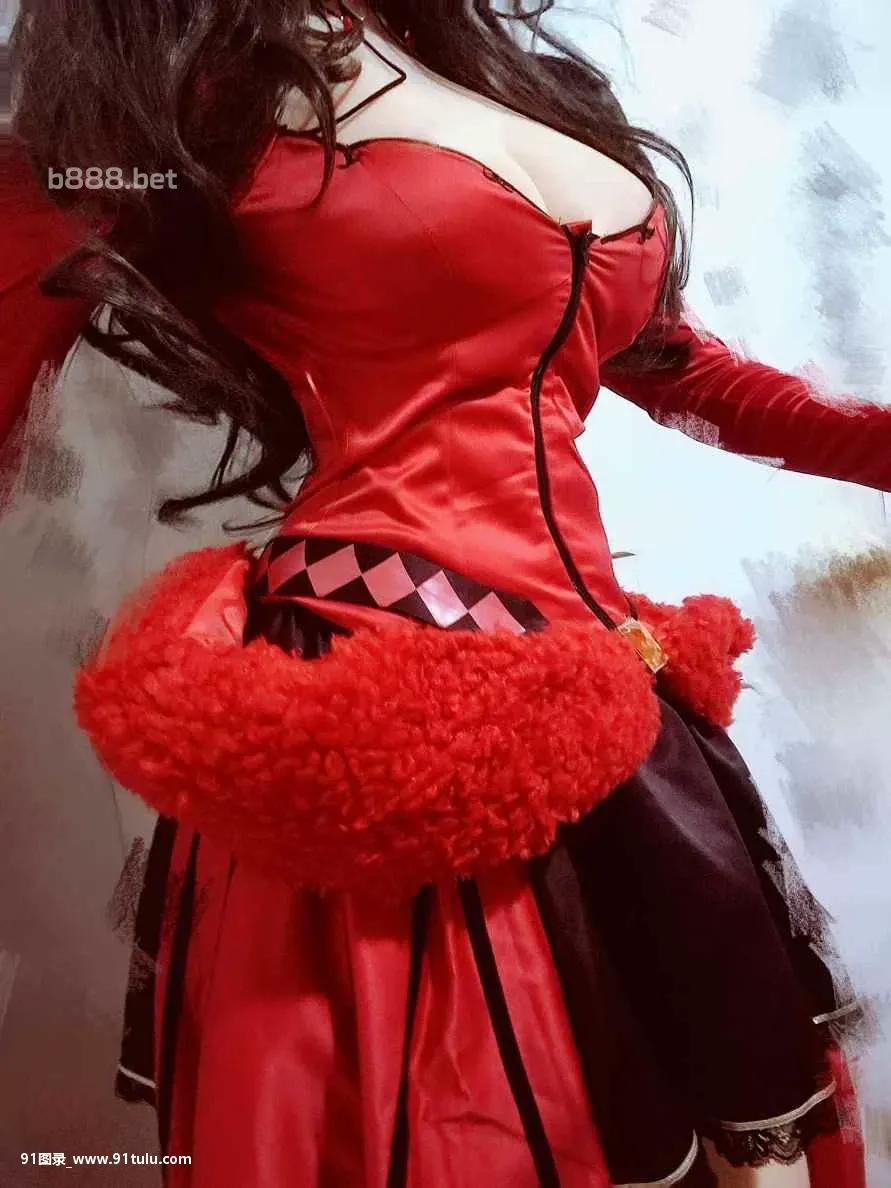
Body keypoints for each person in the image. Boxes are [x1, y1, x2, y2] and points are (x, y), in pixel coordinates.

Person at [1, 1, 883, 1184]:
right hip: (384, 704)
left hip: (608, 688)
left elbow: (686, 372)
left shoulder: (494, 72)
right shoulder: (193, 107)